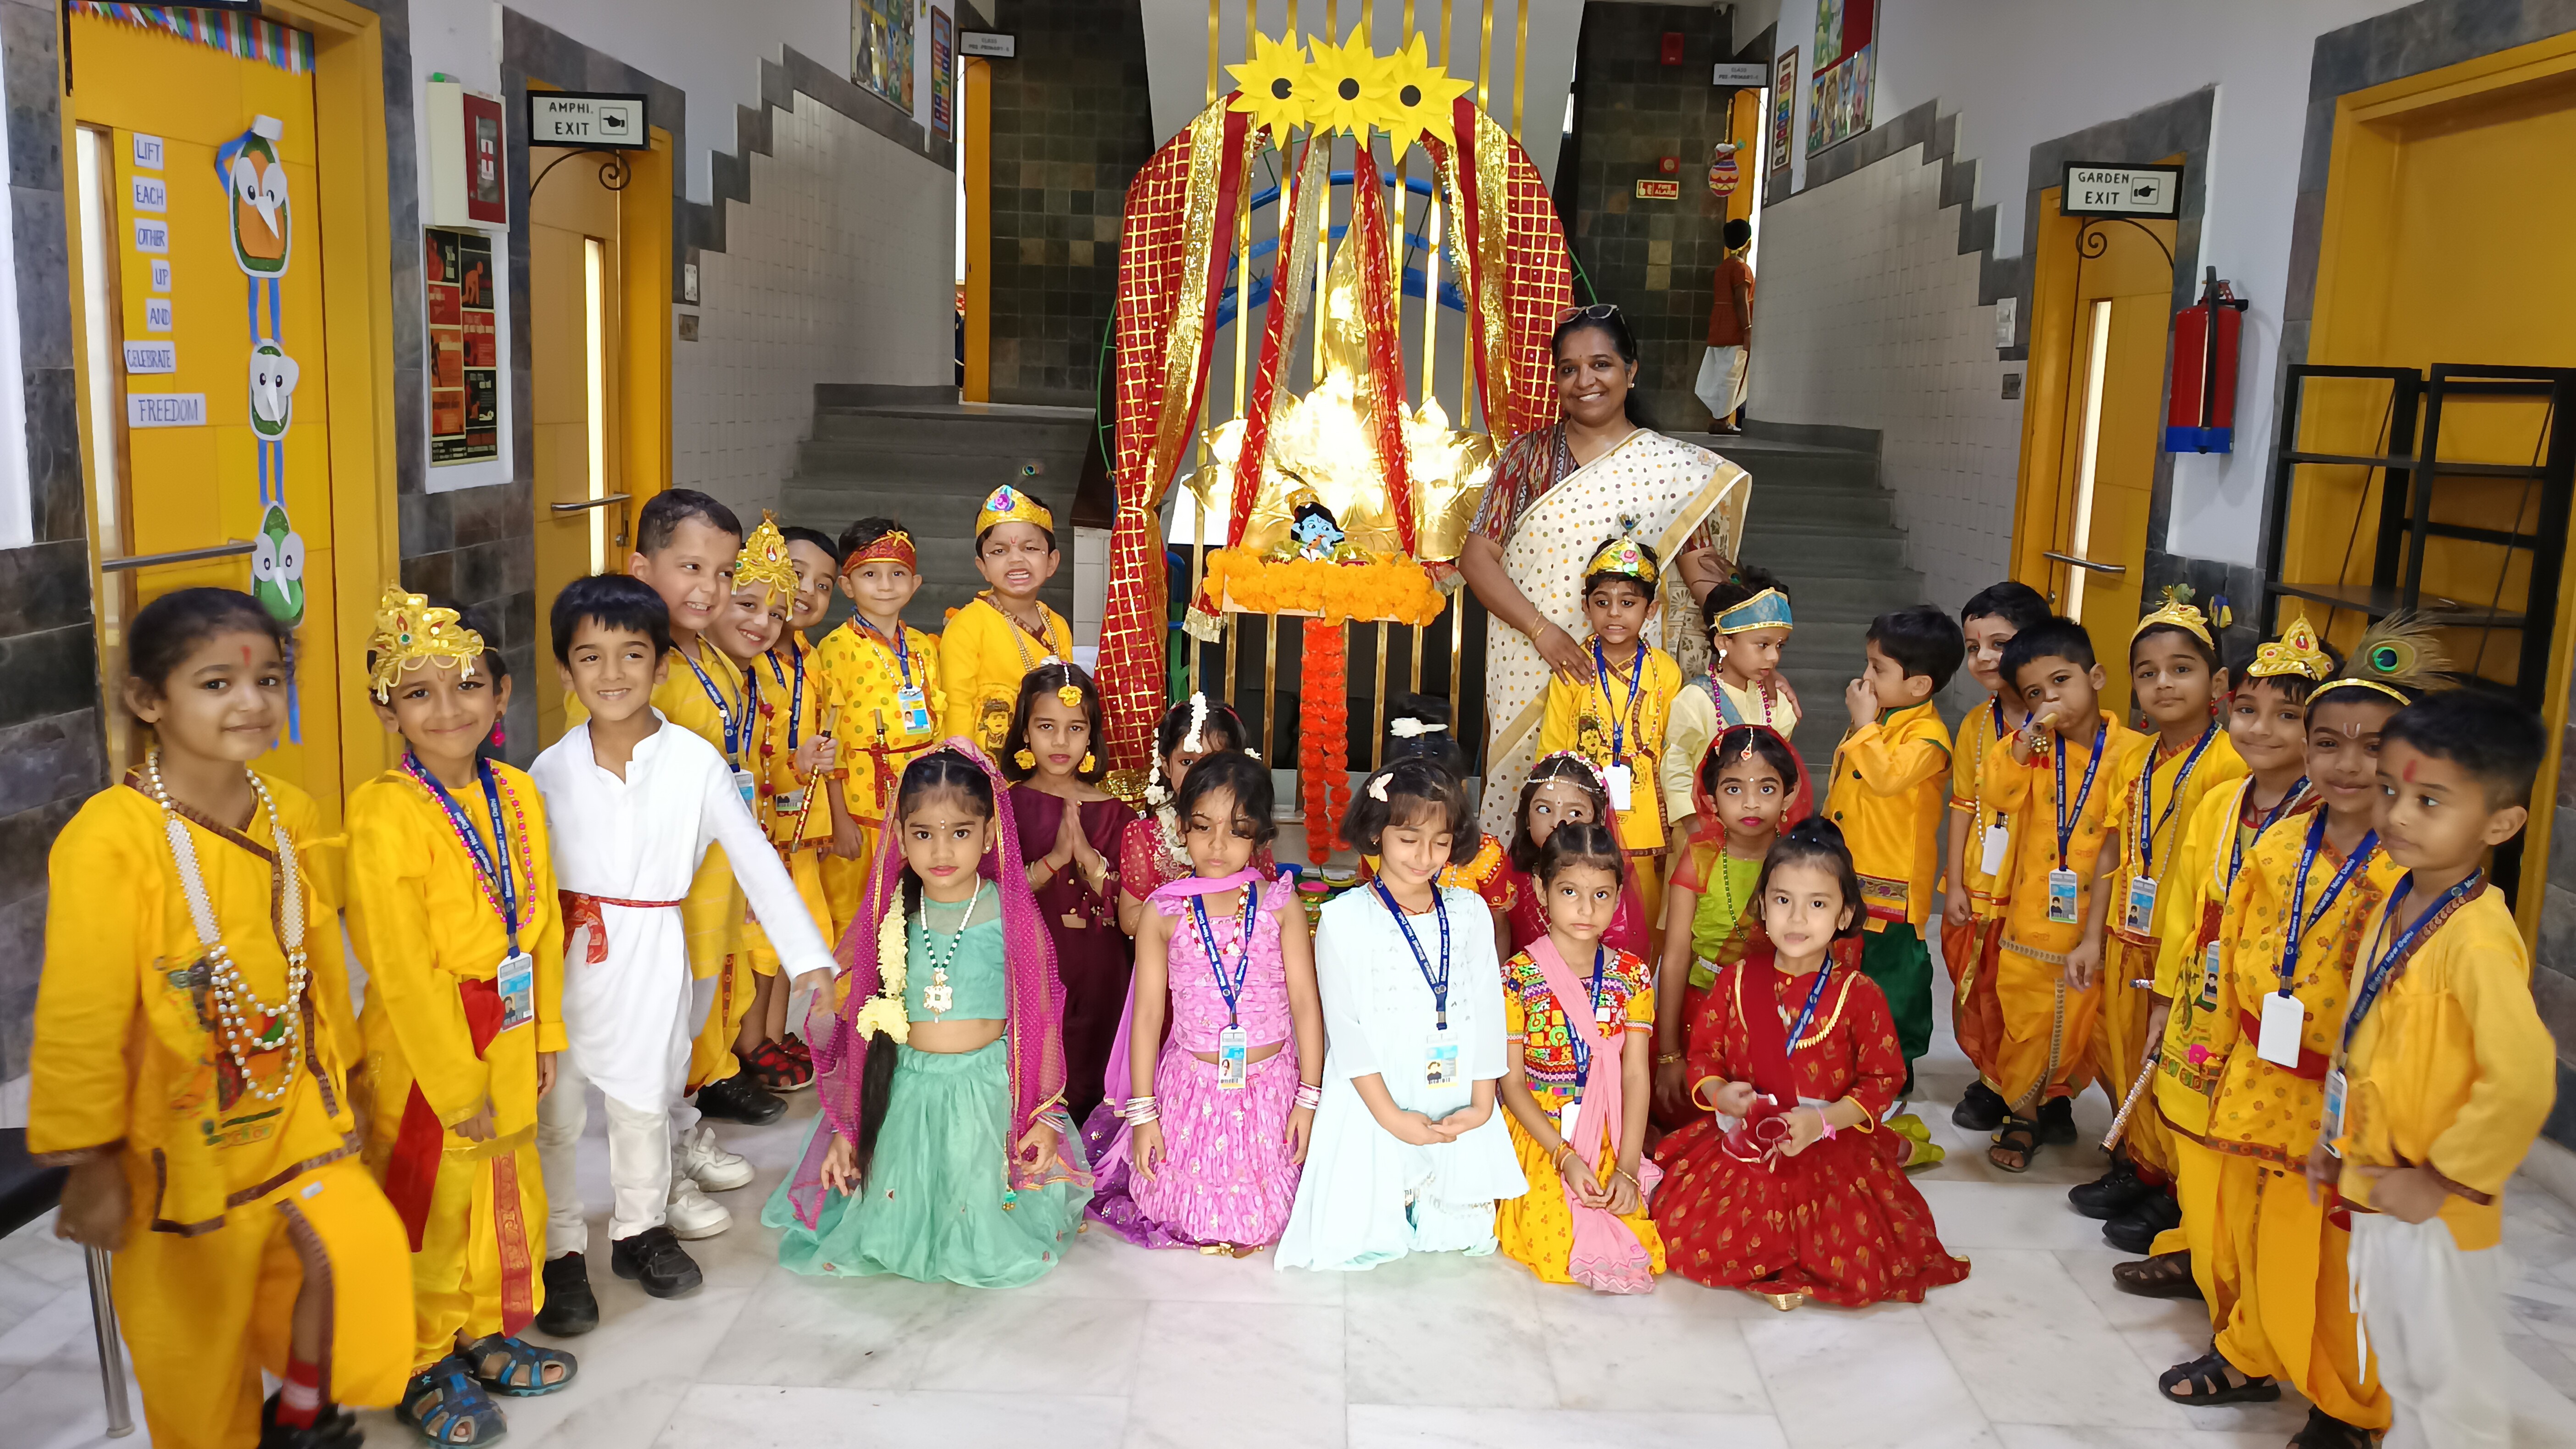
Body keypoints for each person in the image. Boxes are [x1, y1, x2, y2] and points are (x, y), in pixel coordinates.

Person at [35, 588, 410, 1449]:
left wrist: (350, 1074)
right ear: (148, 699)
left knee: (355, 1252)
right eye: (216, 683)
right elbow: (80, 1011)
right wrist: (90, 1157)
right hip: (178, 1132)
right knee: (196, 1349)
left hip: (296, 1104)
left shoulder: (291, 811)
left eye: (269, 679)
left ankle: (302, 1413)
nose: (252, 701)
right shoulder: (110, 837)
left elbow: (315, 965)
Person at [527, 576, 836, 1318]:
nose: (612, 673)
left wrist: (807, 955)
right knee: (558, 1111)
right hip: (565, 956)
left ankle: (639, 1228)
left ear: (662, 663)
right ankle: (560, 1248)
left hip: (653, 952)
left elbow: (755, 857)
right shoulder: (546, 771)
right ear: (566, 672)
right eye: (590, 657)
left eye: (632, 654)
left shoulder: (695, 762)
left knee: (645, 1099)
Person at [2157, 625, 2435, 1444]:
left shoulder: (2415, 867)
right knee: (2251, 1225)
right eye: (2328, 743)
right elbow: (2231, 947)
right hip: (2258, 1071)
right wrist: (2209, 1048)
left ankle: (2348, 1406)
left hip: (2350, 1096)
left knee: (2334, 1252)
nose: (2348, 764)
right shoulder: (2281, 841)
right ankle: (2249, 1351)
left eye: (2372, 746)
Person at [346, 590, 577, 1443]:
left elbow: (542, 925)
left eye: (468, 684)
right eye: (419, 691)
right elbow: (400, 965)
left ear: (501, 693)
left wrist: (544, 1030)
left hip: (510, 1022)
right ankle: (418, 1356)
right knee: (432, 1200)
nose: (449, 708)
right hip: (429, 1043)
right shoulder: (384, 809)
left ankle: (480, 1327)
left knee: (506, 1181)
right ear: (387, 710)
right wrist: (451, 1083)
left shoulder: (515, 789)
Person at [768, 744, 1093, 1287]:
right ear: (900, 838)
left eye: (960, 832)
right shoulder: (891, 914)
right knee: (895, 1220)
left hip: (987, 1094)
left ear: (989, 835)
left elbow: (1041, 1018)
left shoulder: (1010, 914)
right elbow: (863, 1029)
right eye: (923, 833)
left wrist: (1043, 1116)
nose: (942, 850)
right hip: (905, 1093)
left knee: (981, 1222)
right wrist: (850, 1128)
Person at [2330, 690, 2555, 1449]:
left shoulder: (2477, 938)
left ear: (2500, 824)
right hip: (2379, 1186)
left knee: (2452, 1394)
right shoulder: (2398, 901)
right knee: (2405, 1376)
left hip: (2438, 1211)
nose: (2397, 814)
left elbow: (2523, 1078)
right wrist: (2337, 1142)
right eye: (2389, 789)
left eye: (2430, 800)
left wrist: (2442, 1176)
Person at [1649, 818, 1970, 1308]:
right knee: (1683, 1234)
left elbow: (1882, 1080)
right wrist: (1719, 1093)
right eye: (1783, 900)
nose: (1797, 918)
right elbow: (1705, 1056)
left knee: (1858, 1259)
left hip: (1829, 1145)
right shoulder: (1737, 981)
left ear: (1845, 914)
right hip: (1746, 1144)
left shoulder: (1859, 994)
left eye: (1817, 904)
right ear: (1763, 906)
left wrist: (1822, 1121)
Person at [1456, 304, 1747, 838]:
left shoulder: (1671, 468)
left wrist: (1747, 637)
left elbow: (1702, 571)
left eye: (1601, 365)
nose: (1585, 381)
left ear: (1631, 371)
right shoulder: (1527, 457)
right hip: (1531, 664)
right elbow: (1476, 558)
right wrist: (1542, 631)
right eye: (1569, 369)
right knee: (1528, 807)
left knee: (1626, 817)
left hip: (1630, 675)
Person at [2113, 612, 2325, 1305]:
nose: (2261, 729)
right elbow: (2183, 905)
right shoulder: (2221, 804)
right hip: (2202, 999)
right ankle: (2197, 1250)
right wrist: (2166, 997)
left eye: (2288, 717)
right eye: (2249, 710)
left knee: (2252, 1149)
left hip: (2270, 1012)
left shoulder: (2321, 817)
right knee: (2193, 1132)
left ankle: (2238, 1291)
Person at [1276, 760, 1527, 1270]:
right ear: (1376, 832)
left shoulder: (1471, 912)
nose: (1425, 856)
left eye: (1441, 841)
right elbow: (1346, 1032)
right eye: (1409, 839)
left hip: (1456, 1089)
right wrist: (1391, 1118)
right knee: (1358, 1235)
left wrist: (1482, 1105)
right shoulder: (1343, 918)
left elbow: (1487, 1011)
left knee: (1457, 1234)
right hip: (1374, 1096)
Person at [604, 490, 786, 1171]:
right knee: (656, 1026)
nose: (709, 588)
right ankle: (655, 1176)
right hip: (661, 886)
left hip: (714, 877)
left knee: (697, 1011)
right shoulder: (628, 666)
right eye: (690, 567)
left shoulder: (707, 655)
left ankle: (682, 1136)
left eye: (724, 572)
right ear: (641, 568)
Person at [2067, 588, 2244, 1253]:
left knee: (2173, 1067)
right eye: (2148, 672)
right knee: (2122, 1055)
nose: (2163, 683)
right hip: (2125, 936)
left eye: (2181, 668)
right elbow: (2112, 847)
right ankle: (2140, 1165)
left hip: (2182, 950)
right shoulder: (2137, 756)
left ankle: (2175, 1190)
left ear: (2217, 684)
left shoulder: (2229, 763)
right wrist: (2092, 934)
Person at [1088, 753, 1323, 1251]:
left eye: (1238, 829)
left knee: (1275, 1212)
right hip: (1191, 1090)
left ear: (1260, 835)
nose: (1218, 844)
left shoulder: (1280, 904)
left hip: (1272, 1092)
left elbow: (1305, 1002)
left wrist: (1308, 1100)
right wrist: (1144, 1114)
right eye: (1203, 826)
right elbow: (1148, 1015)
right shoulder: (1164, 910)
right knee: (1179, 1211)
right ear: (1181, 826)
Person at [1981, 617, 2148, 1172]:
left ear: (2095, 676)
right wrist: (2022, 743)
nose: (2050, 699)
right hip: (2033, 921)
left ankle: (2130, 1138)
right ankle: (2024, 1117)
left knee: (2110, 1032)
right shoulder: (2031, 749)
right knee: (2027, 1024)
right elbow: (1997, 793)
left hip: (2105, 923)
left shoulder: (2134, 752)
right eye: (2035, 693)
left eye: (2061, 681)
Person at [1495, 822, 1664, 1292]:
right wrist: (1564, 1155)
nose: (1586, 909)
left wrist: (1627, 1168)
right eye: (1569, 891)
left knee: (1628, 1218)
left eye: (1601, 895)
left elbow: (1635, 1076)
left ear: (1618, 897)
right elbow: (1511, 1085)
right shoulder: (1517, 978)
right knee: (1553, 1236)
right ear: (1541, 891)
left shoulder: (1632, 976)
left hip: (1611, 1130)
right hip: (1543, 1133)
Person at [707, 518, 837, 1093]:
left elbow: (775, 759)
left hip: (784, 824)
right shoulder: (734, 669)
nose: (764, 621)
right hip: (742, 832)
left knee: (779, 934)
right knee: (750, 943)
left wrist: (803, 767)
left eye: (776, 612)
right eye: (749, 604)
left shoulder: (799, 662)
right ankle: (744, 1045)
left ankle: (764, 1035)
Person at [1824, 605, 1963, 1113]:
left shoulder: (1928, 738)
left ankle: (1896, 1064)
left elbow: (1884, 777)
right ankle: (1848, 1052)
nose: (1866, 677)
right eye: (1868, 663)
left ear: (1920, 685)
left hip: (1892, 886)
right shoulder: (1882, 719)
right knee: (1846, 965)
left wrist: (1864, 725)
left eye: (1878, 669)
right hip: (1849, 870)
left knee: (1894, 978)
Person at [1003, 662, 1139, 1127]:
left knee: (1098, 1081)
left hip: (1103, 975)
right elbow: (992, 898)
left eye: (1075, 728)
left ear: (1091, 735)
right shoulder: (1004, 807)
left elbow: (1133, 911)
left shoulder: (1119, 814)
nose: (1060, 742)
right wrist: (1054, 861)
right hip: (1031, 972)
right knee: (1035, 1081)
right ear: (1025, 732)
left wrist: (1091, 863)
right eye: (1046, 727)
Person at [1655, 725, 1810, 1122]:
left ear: (1789, 794)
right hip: (1703, 1011)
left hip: (1783, 1016)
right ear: (1712, 799)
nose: (1751, 803)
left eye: (1767, 788)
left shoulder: (1801, 860)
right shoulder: (1701, 857)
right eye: (1734, 789)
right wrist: (1669, 1054)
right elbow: (1675, 957)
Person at [1943, 581, 2051, 1132]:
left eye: (1999, 643)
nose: (1983, 657)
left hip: (2042, 887)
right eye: (1973, 647)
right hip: (1983, 881)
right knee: (1981, 984)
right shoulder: (1975, 724)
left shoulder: (2061, 724)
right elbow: (1963, 803)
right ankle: (1992, 1080)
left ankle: (2045, 1093)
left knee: (2034, 991)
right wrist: (1956, 884)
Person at [1541, 527, 1684, 935]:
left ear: (1651, 610)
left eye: (1628, 603)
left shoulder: (1665, 671)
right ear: (1586, 606)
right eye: (1603, 602)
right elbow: (1553, 749)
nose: (1615, 614)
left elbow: (1675, 748)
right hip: (1584, 813)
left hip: (1645, 816)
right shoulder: (1573, 665)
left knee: (1643, 917)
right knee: (1584, 905)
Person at [814, 517, 946, 930]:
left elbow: (938, 725)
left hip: (918, 803)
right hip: (859, 808)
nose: (886, 585)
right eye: (870, 574)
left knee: (910, 911)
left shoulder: (924, 646)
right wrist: (839, 819)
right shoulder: (836, 648)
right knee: (854, 914)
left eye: (898, 574)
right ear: (847, 585)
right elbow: (828, 738)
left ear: (916, 583)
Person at [1472, 751, 1652, 966]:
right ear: (1526, 818)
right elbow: (1495, 939)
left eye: (1575, 813)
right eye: (1544, 809)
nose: (1558, 822)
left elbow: (1617, 952)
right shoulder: (1506, 874)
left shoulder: (1607, 876)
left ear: (1598, 819)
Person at [1117, 693, 1270, 934]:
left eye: (1213, 760)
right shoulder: (1145, 835)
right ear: (1166, 766)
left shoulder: (1246, 827)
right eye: (1187, 762)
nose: (1200, 773)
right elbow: (1129, 920)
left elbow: (1268, 900)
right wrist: (1188, 916)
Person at [1662, 566, 1799, 835]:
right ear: (1723, 643)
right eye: (1763, 645)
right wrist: (1694, 823)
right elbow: (1677, 763)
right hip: (1702, 832)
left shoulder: (1778, 703)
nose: (1773, 657)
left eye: (1780, 646)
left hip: (1760, 832)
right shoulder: (1695, 699)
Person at [942, 485, 1074, 755]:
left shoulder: (1057, 625)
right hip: (985, 765)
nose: (1016, 559)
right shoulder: (967, 625)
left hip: (1047, 760)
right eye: (1000, 551)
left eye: (1030, 548)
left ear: (1051, 562)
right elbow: (957, 705)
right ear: (983, 567)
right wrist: (963, 766)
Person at [1694, 217, 1755, 433]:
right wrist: (1747, 330)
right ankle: (1721, 420)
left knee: (1719, 375)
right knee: (1733, 376)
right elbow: (1741, 300)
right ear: (1748, 243)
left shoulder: (1722, 268)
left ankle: (1716, 418)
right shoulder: (1742, 269)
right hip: (1735, 330)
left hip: (1719, 328)